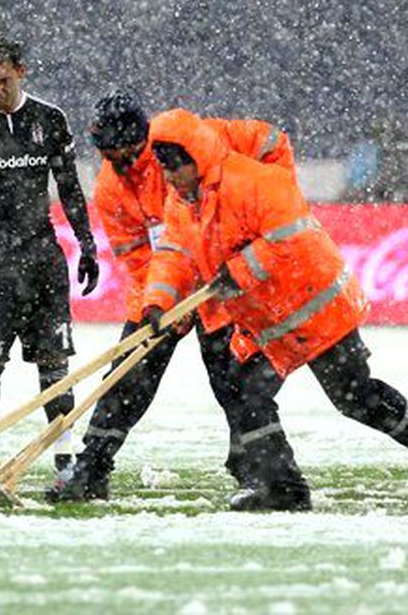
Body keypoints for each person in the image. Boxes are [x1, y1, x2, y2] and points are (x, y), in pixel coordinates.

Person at [142, 107, 408, 511]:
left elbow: (288, 240)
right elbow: (173, 253)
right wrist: (157, 302)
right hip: (267, 320)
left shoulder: (255, 183)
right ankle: (282, 487)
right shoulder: (182, 204)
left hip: (314, 309)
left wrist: (239, 270)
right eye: (164, 168)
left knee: (353, 397)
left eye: (176, 166)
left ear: (198, 157)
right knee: (245, 391)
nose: (170, 177)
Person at [51, 91, 296, 502]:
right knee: (127, 376)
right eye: (110, 157)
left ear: (143, 139)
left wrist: (275, 197)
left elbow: (272, 143)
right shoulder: (110, 189)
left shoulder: (196, 140)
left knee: (232, 382)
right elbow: (137, 259)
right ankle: (93, 466)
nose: (121, 166)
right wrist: (160, 304)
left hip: (224, 286)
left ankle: (253, 469)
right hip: (166, 289)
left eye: (128, 155)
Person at [0, 37, 101, 489]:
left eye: (3, 80)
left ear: (21, 72)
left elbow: (70, 187)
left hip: (41, 257)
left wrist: (86, 243)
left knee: (54, 363)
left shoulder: (49, 119)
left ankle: (64, 459)